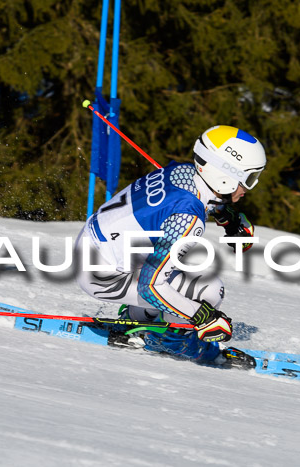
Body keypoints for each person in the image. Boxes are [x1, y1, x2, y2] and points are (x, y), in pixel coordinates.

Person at [75, 125, 266, 367]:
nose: (249, 188)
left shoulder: (183, 171)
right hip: (103, 277)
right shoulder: (188, 220)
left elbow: (190, 197)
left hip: (94, 248)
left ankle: (138, 318)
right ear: (225, 176)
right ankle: (168, 340)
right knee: (208, 290)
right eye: (249, 179)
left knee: (172, 266)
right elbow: (150, 288)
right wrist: (202, 317)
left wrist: (227, 217)